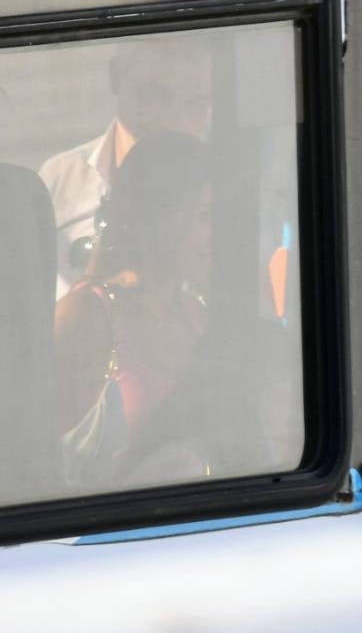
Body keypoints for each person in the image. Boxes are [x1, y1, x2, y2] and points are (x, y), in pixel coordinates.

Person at [54, 133, 213, 489]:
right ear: (164, 217)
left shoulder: (198, 315)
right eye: (205, 216)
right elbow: (36, 461)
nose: (217, 233)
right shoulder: (87, 316)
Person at [39, 35, 212, 299]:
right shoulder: (59, 182)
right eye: (154, 95)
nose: (173, 119)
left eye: (195, 105)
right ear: (116, 76)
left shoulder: (233, 189)